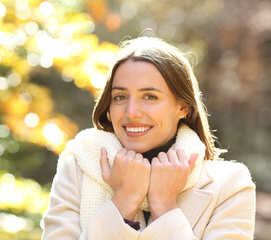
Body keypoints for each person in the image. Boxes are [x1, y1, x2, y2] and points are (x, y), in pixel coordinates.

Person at [41, 37, 255, 239]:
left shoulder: (230, 185)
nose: (131, 111)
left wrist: (164, 206)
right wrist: (123, 201)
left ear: (182, 107)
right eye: (120, 97)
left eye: (150, 97)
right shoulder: (78, 168)